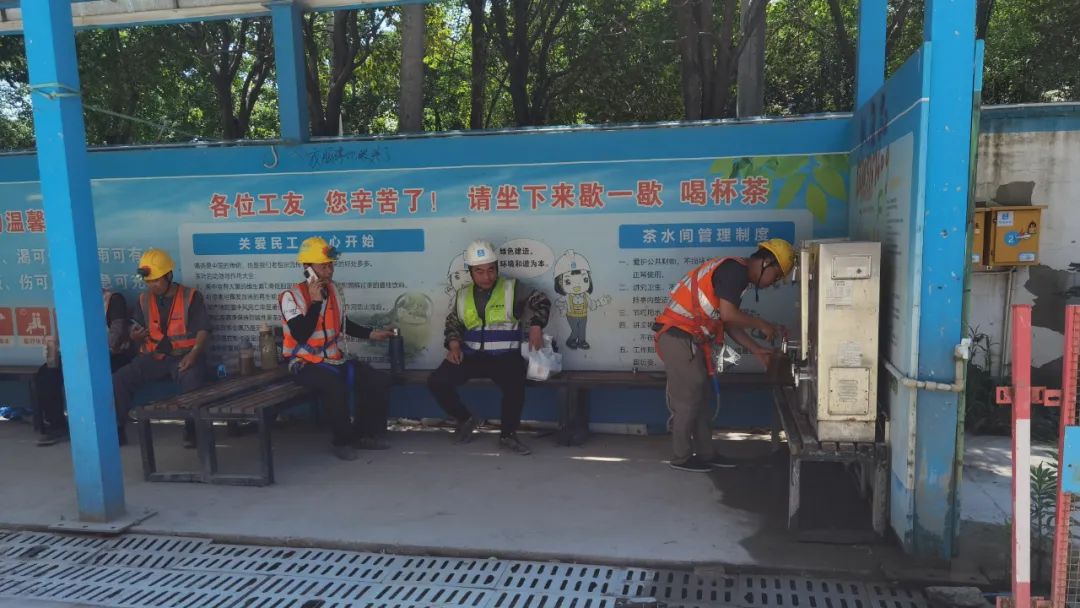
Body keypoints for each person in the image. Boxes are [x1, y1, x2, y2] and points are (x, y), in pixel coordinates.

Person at [652, 238, 795, 473]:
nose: (774, 283)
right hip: (678, 337)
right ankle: (681, 457)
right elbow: (729, 315)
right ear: (766, 262)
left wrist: (757, 350)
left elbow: (728, 323)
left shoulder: (737, 277)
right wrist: (762, 324)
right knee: (688, 399)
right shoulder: (734, 271)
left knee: (702, 398)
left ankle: (706, 454)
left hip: (690, 339)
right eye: (777, 275)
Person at [427, 240, 551, 455]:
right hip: (471, 356)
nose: (487, 276)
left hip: (505, 356)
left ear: (497, 268)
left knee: (515, 386)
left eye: (491, 270)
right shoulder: (463, 295)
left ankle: (507, 435)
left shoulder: (512, 287)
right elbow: (453, 323)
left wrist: (536, 326)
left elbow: (542, 301)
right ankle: (466, 419)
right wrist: (454, 345)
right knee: (437, 381)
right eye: (480, 271)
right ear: (471, 272)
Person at [279, 237, 395, 461]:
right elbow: (301, 334)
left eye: (331, 265)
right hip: (304, 363)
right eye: (323, 266)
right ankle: (342, 441)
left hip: (334, 359)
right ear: (307, 268)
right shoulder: (290, 297)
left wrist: (372, 334)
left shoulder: (333, 290)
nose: (330, 270)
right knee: (334, 386)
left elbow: (342, 324)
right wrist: (315, 303)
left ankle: (364, 434)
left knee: (377, 380)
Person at [112, 248, 210, 447]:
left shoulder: (191, 296)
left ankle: (193, 430)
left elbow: (203, 329)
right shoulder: (143, 300)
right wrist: (135, 336)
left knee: (192, 379)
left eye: (156, 280)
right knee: (120, 379)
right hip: (153, 357)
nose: (152, 285)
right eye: (149, 281)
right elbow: (135, 328)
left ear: (169, 276)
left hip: (184, 356)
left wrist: (193, 355)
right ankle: (117, 429)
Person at [35, 289, 134, 446]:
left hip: (110, 355)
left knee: (112, 376)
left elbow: (116, 335)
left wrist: (92, 352)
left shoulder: (112, 300)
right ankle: (57, 426)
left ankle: (115, 429)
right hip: (76, 357)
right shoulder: (67, 301)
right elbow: (62, 335)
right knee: (46, 375)